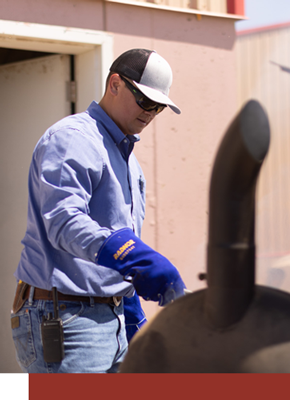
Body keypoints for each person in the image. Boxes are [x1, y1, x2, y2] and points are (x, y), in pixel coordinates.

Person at [10, 48, 186, 373]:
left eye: (159, 107)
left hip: (110, 317)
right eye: (146, 101)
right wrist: (132, 255)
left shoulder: (128, 160)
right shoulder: (73, 139)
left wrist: (130, 313)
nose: (151, 112)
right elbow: (63, 221)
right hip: (66, 316)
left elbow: (116, 251)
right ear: (115, 84)